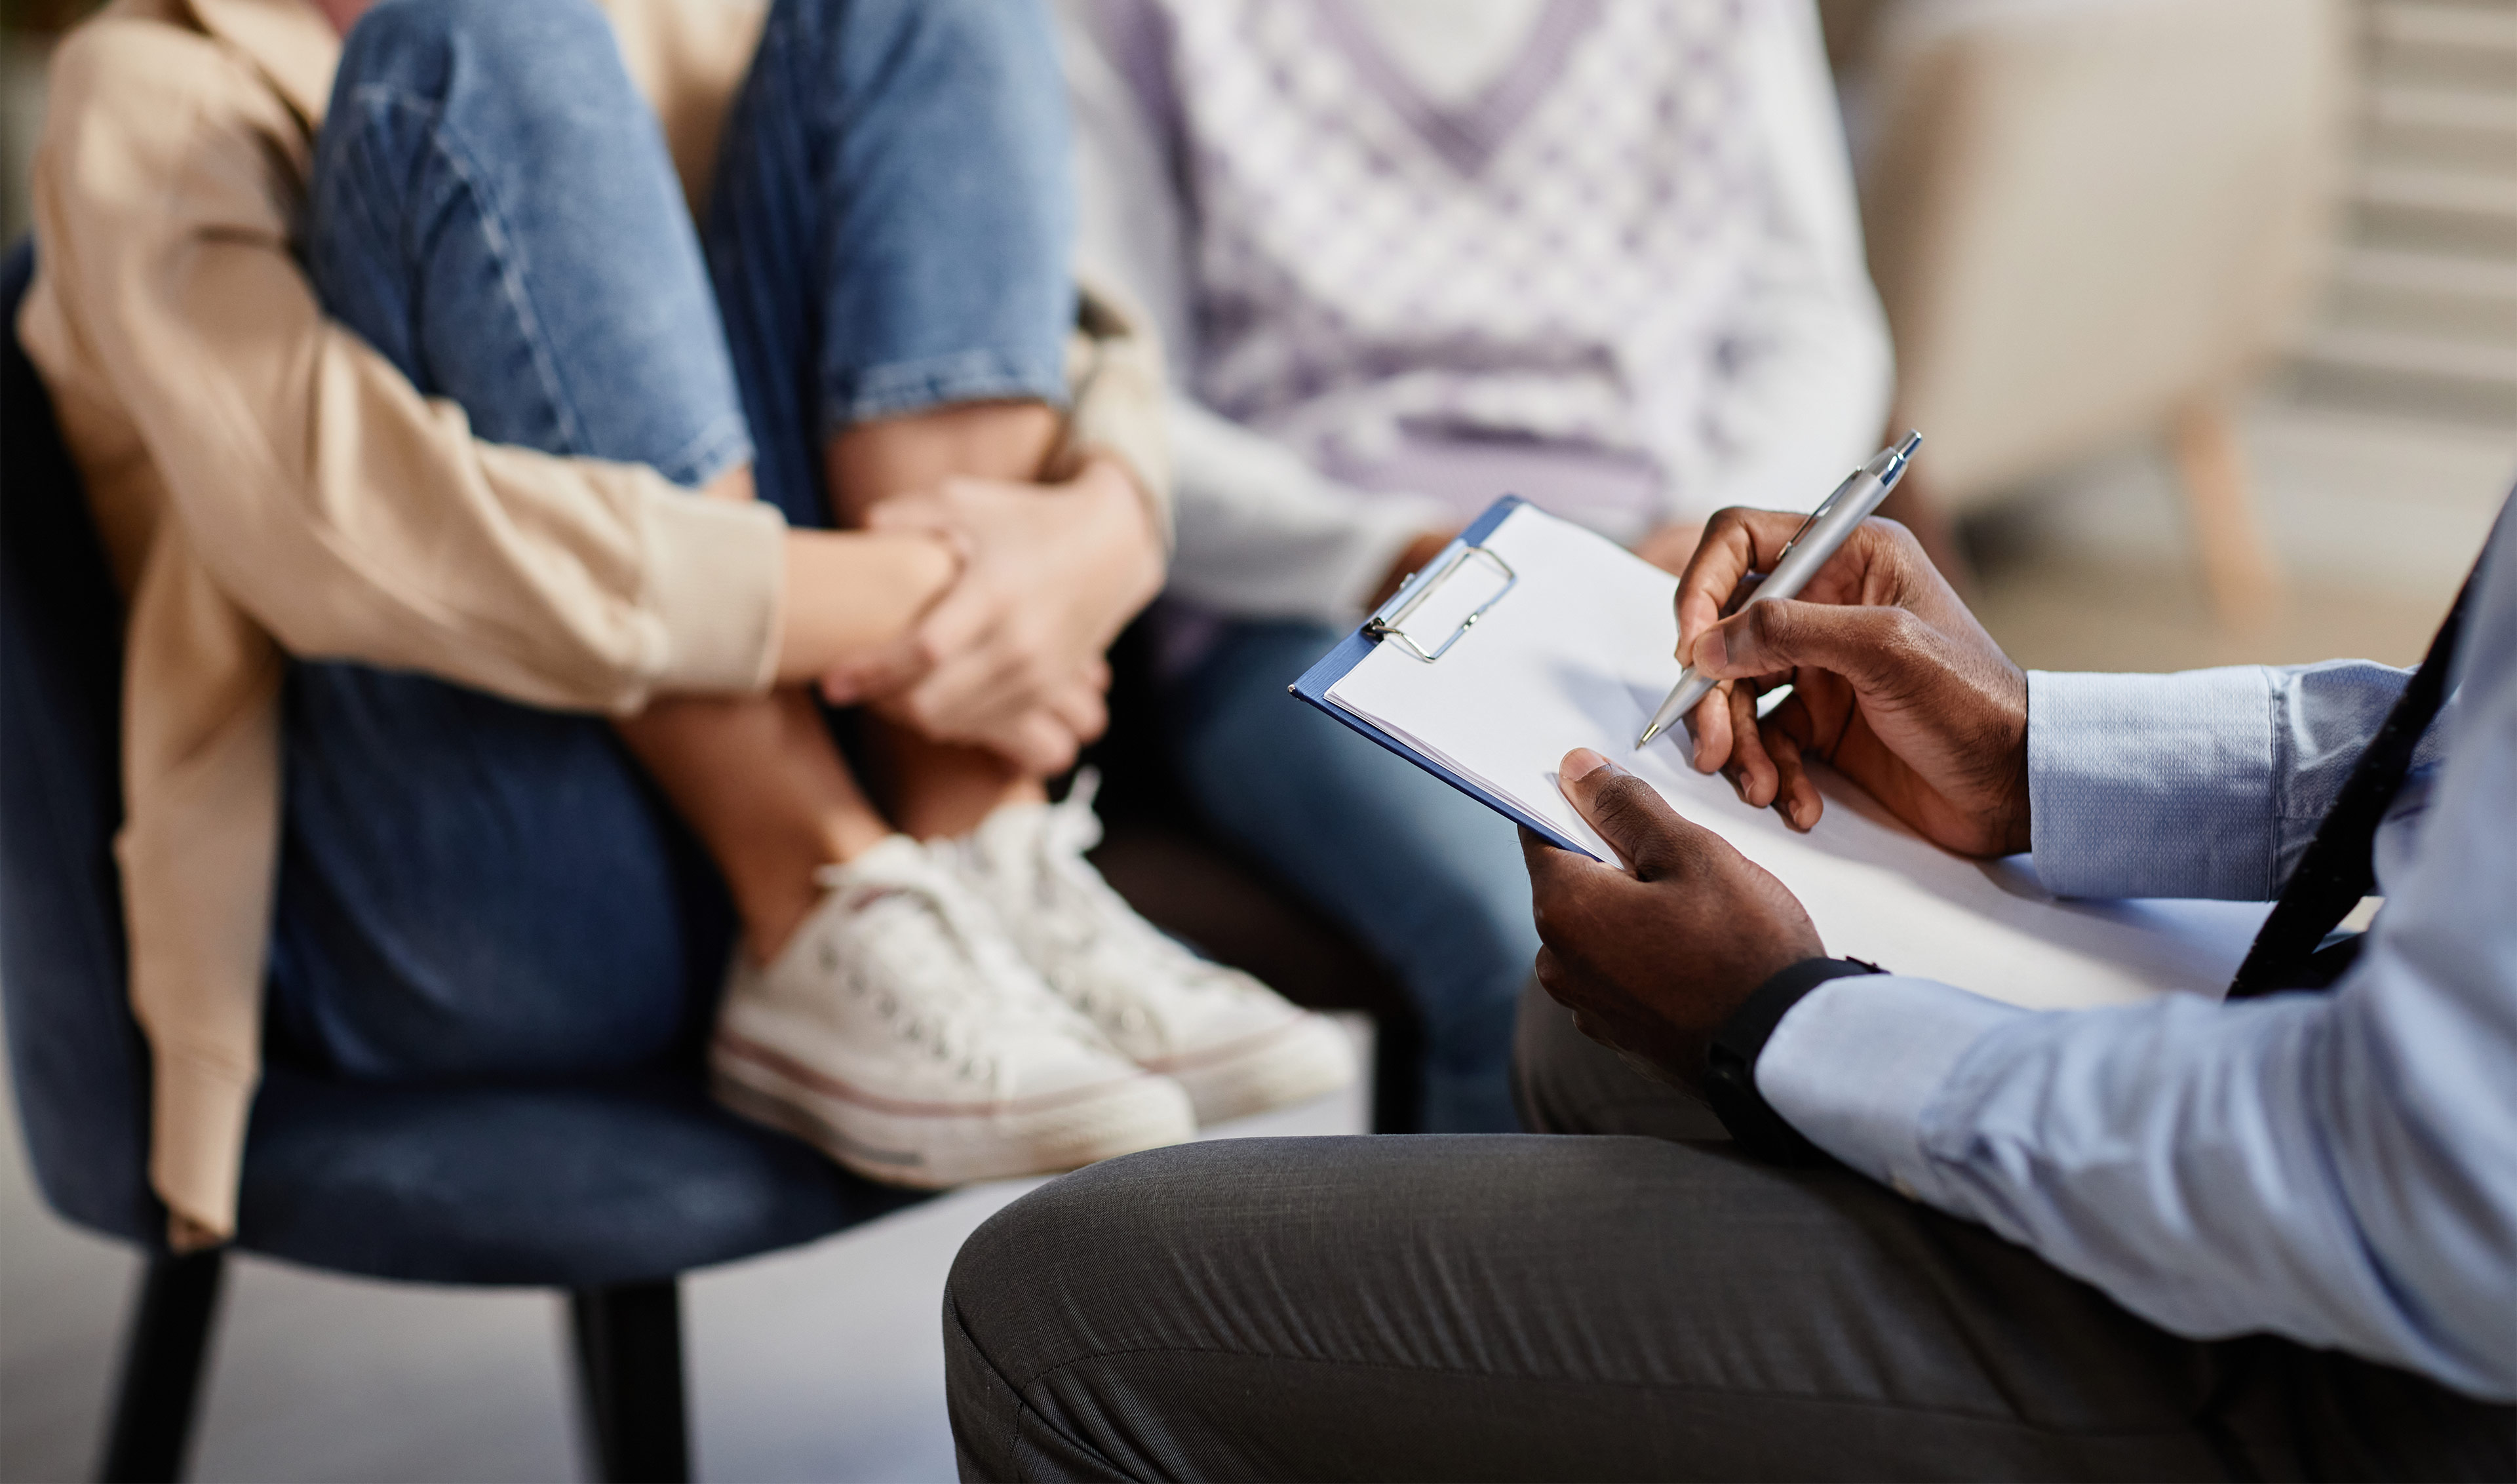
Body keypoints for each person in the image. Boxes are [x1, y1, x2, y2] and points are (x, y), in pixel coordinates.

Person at [23, 0, 1348, 1245]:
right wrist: (944, 594)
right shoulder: (140, 96)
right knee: (486, 34)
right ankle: (812, 887)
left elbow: (1063, 307)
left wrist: (1104, 523)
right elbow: (342, 542)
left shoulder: (651, 2)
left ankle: (979, 844)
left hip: (864, 827)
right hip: (463, 894)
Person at [943, 488, 2517, 1479]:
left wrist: (1792, 1018)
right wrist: (2042, 754)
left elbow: (2416, 1180)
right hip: (2378, 1106)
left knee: (1052, 1311)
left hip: (2396, 1378)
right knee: (1581, 1024)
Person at [1044, 0, 1894, 1131]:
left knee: (1869, 951)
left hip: (1669, 582)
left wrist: (1717, 530)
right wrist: (1397, 553)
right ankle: (1481, 1334)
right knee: (1551, 956)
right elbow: (1115, 388)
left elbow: (1810, 311)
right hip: (1318, 607)